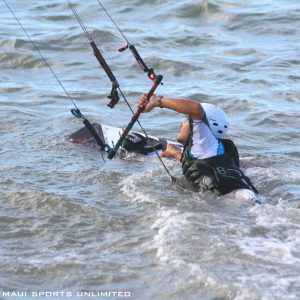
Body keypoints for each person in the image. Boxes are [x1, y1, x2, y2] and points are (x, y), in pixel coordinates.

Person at [137, 94, 258, 196]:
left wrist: (156, 101)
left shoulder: (204, 142)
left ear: (201, 127)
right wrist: (175, 153)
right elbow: (201, 165)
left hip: (228, 197)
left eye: (186, 120)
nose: (181, 124)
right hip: (247, 194)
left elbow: (196, 108)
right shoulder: (216, 149)